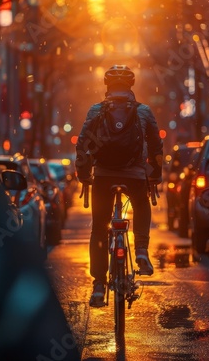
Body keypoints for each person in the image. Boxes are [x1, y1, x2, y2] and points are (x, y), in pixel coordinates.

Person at [75, 65, 163, 307]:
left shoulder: (96, 110)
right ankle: (142, 251)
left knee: (99, 229)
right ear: (131, 86)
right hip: (134, 175)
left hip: (103, 176)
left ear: (107, 86)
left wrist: (84, 175)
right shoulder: (143, 111)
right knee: (142, 205)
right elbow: (156, 145)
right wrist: (155, 174)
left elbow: (82, 144)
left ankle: (99, 285)